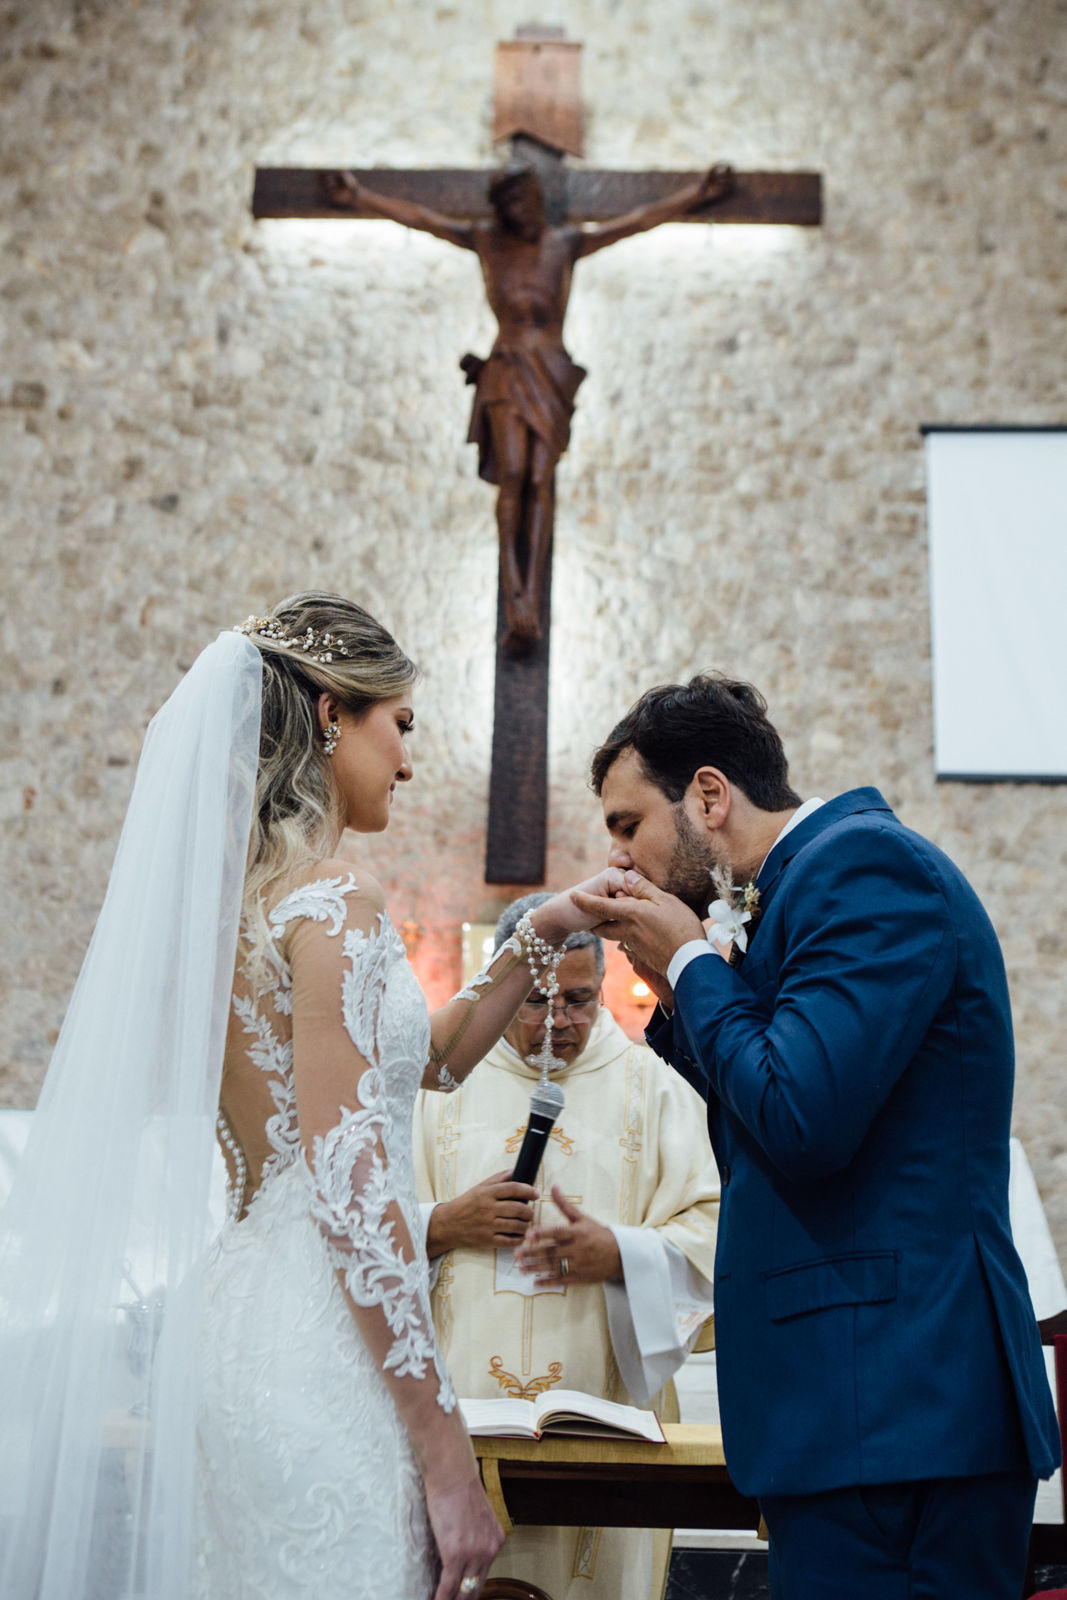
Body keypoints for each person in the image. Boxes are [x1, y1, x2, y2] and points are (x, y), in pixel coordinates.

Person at [0, 592, 620, 1600]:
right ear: (332, 713)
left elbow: (431, 1060)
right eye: (400, 723)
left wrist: (538, 931)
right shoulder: (335, 904)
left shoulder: (233, 912)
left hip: (241, 1322)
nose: (410, 760)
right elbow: (344, 1178)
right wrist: (442, 1449)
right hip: (321, 1348)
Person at [570, 674, 1061, 1600]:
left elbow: (802, 1116)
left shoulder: (863, 867)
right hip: (855, 1412)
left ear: (708, 795)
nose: (618, 858)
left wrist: (685, 959)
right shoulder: (798, 888)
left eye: (627, 823)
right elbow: (767, 1109)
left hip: (900, 1405)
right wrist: (685, 991)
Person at [413, 894, 720, 1600]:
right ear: (504, 982)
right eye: (533, 1001)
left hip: (604, 1429)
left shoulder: (654, 1087)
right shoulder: (435, 1086)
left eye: (578, 999)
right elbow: (358, 1225)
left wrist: (619, 1255)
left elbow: (714, 1231)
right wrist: (443, 1222)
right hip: (460, 1424)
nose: (556, 1022)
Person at [327, 162, 733, 651]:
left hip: (551, 373)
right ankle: (514, 590)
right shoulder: (486, 241)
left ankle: (530, 599)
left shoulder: (566, 244)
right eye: (513, 204)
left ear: (538, 198)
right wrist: (358, 197)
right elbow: (419, 217)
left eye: (528, 200)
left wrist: (695, 193)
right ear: (501, 209)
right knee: (514, 473)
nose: (522, 211)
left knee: (540, 479)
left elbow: (640, 218)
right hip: (506, 367)